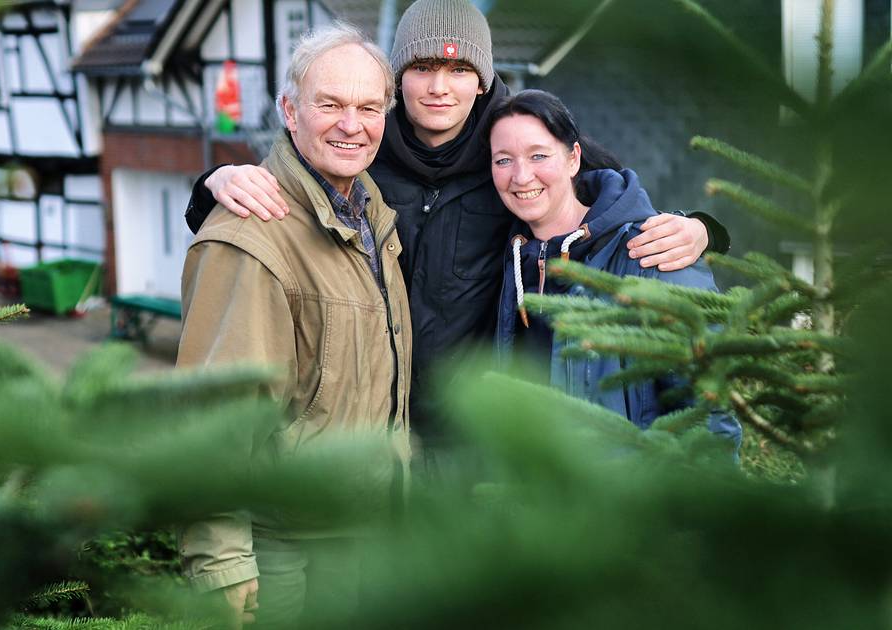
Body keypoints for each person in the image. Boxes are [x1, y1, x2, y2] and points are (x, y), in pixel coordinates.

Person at [185, 0, 728, 450]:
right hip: (372, 428)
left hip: (472, 434)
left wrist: (701, 228)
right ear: (398, 80)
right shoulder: (362, 141)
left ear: (483, 80)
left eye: (459, 70)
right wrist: (215, 179)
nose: (439, 87)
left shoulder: (515, 145)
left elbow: (614, 201)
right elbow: (283, 189)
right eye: (422, 68)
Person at [176, 23, 410, 628]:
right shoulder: (251, 235)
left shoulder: (370, 216)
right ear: (289, 109)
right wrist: (221, 562)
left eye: (368, 107)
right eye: (329, 104)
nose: (350, 124)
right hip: (282, 549)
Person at [488, 89, 740, 442]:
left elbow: (710, 417)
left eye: (538, 155)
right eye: (503, 160)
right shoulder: (514, 257)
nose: (521, 176)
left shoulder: (652, 251)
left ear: (573, 158)